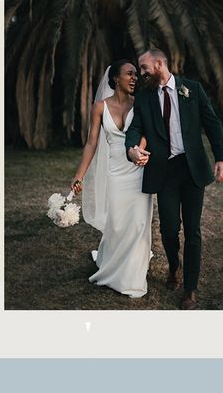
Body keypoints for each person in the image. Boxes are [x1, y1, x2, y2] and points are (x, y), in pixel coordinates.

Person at [125, 49, 223, 310]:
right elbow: (135, 127)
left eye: (144, 66)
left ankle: (190, 289)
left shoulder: (191, 89)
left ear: (160, 63)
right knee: (169, 228)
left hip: (192, 168)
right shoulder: (145, 96)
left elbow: (212, 123)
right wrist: (132, 148)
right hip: (165, 170)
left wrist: (221, 158)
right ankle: (174, 265)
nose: (142, 72)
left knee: (193, 231)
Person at [71, 60, 152, 298]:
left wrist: (140, 151)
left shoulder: (140, 104)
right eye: (130, 73)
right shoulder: (99, 107)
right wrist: (79, 176)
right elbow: (91, 142)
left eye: (136, 74)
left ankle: (133, 277)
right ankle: (112, 264)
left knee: (138, 223)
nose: (135, 77)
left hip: (138, 168)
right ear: (116, 78)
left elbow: (146, 132)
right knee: (117, 223)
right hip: (115, 173)